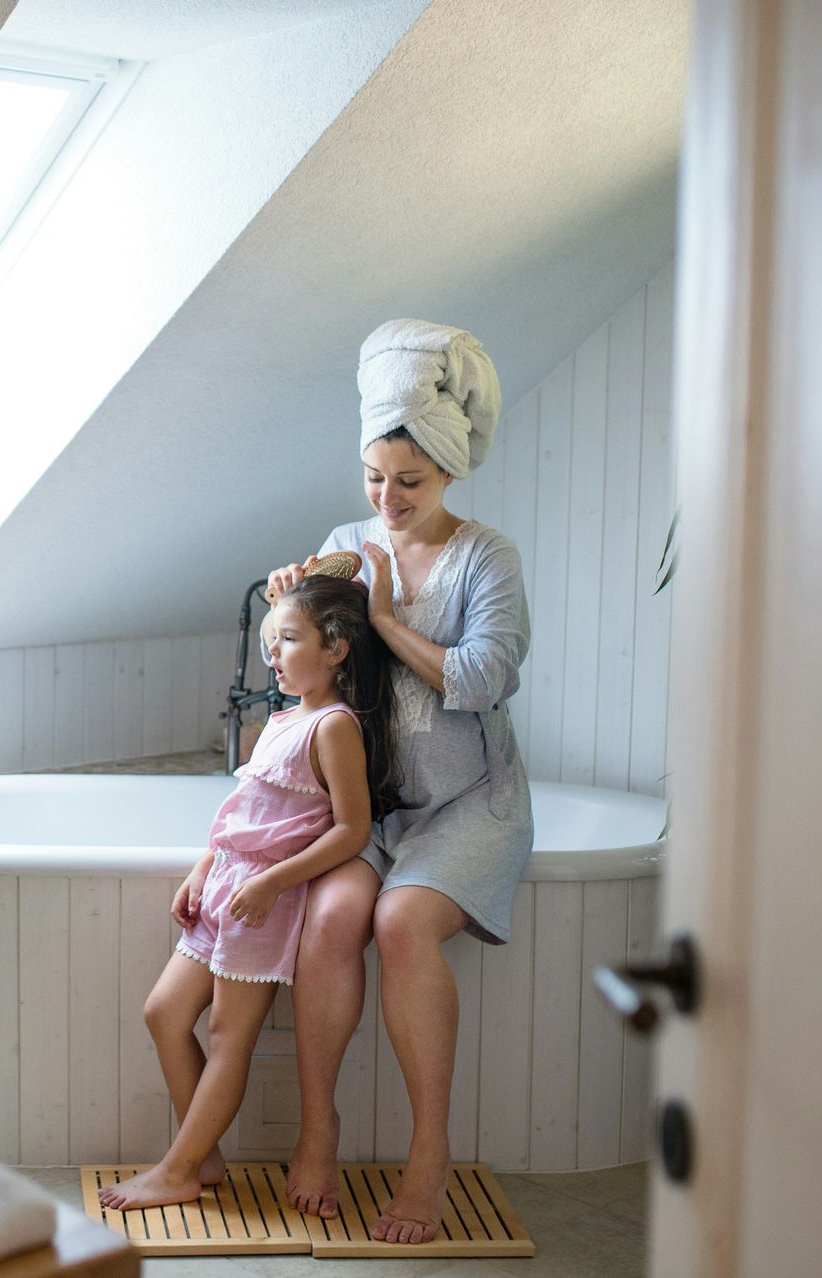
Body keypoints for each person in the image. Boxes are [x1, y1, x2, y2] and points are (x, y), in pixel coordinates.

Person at [268, 319, 533, 1245]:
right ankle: (318, 1127)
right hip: (372, 805)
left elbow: (482, 679)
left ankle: (429, 1153)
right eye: (375, 479)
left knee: (401, 921)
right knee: (335, 916)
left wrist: (380, 614)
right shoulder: (348, 540)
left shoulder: (486, 556)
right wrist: (291, 608)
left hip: (470, 805)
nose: (387, 500)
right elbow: (308, 655)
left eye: (409, 484)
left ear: (450, 473)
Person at [97, 575, 397, 1211]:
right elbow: (245, 808)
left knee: (233, 1036)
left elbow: (353, 829)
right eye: (271, 641)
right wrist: (203, 868)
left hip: (265, 897)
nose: (274, 655)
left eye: (288, 640)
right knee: (164, 1013)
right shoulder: (286, 718)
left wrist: (272, 882)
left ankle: (178, 1168)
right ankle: (201, 1155)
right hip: (229, 885)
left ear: (336, 648)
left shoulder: (336, 727)